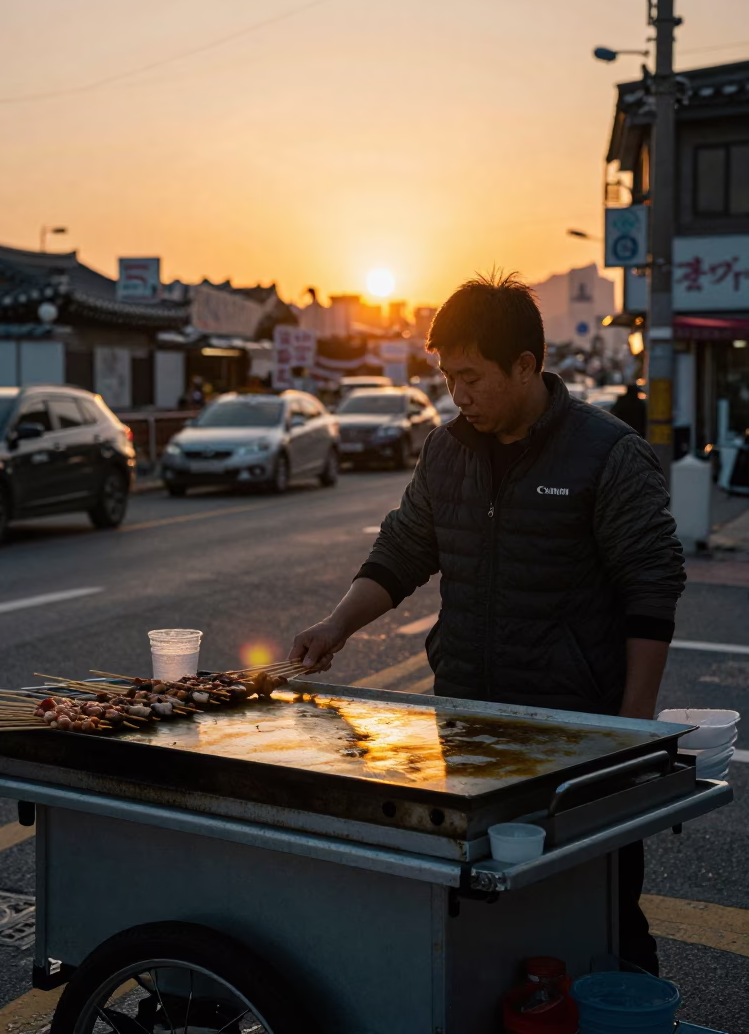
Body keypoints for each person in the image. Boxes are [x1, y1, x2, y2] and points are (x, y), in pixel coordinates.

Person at [290, 274, 684, 975]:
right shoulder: (449, 450)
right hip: (468, 728)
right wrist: (336, 624)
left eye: (471, 377)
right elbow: (404, 549)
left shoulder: (607, 455)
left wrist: (633, 735)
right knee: (485, 912)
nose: (457, 395)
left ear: (526, 366)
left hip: (577, 740)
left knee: (604, 915)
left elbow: (652, 591)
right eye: (447, 377)